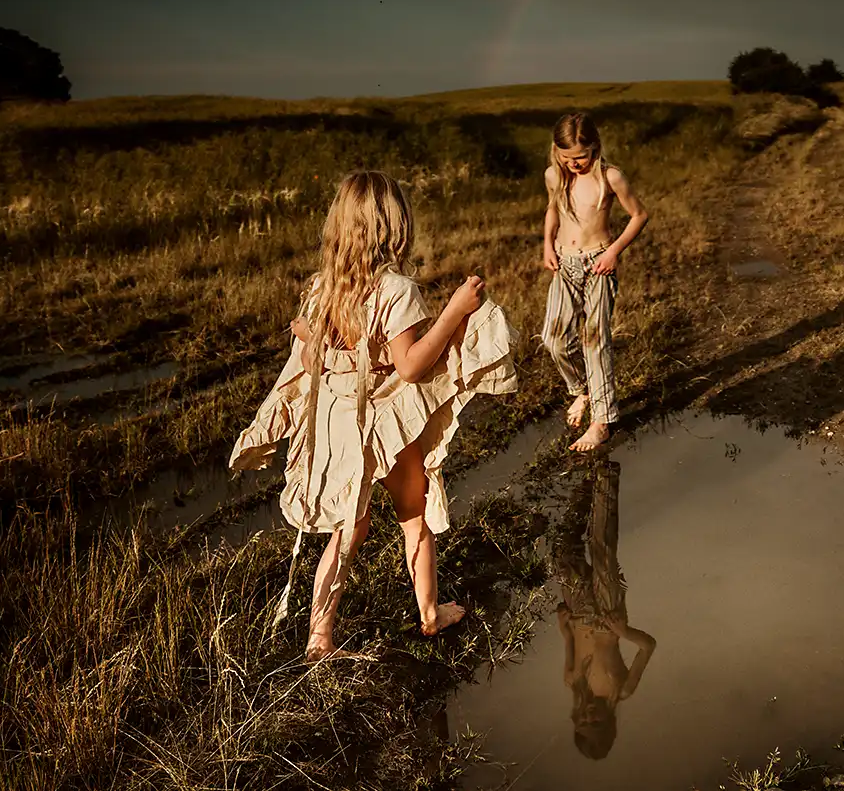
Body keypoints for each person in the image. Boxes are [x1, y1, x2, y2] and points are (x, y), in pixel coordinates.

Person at [229, 171, 519, 662]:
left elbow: (313, 358)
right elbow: (409, 366)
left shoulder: (324, 286)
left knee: (350, 526)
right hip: (383, 419)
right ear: (396, 227)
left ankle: (320, 637)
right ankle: (430, 613)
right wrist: (454, 311)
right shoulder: (397, 289)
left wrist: (309, 338)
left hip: (339, 422)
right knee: (415, 514)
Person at [541, 112, 649, 451]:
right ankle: (583, 390)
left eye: (582, 156)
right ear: (557, 152)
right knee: (554, 340)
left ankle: (601, 421)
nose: (575, 163)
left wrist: (614, 251)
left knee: (594, 342)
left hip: (597, 264)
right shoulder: (554, 176)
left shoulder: (610, 177)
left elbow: (639, 215)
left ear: (595, 147)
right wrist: (547, 243)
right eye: (567, 157)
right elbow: (552, 210)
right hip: (564, 265)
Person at [554, 460, 655, 759]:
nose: (588, 716)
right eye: (595, 723)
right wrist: (624, 632)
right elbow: (648, 647)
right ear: (609, 723)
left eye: (582, 722)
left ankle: (583, 486)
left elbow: (571, 646)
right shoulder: (622, 690)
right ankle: (605, 476)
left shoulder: (572, 682)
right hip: (609, 618)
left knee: (563, 554)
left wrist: (564, 630)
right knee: (602, 554)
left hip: (578, 614)